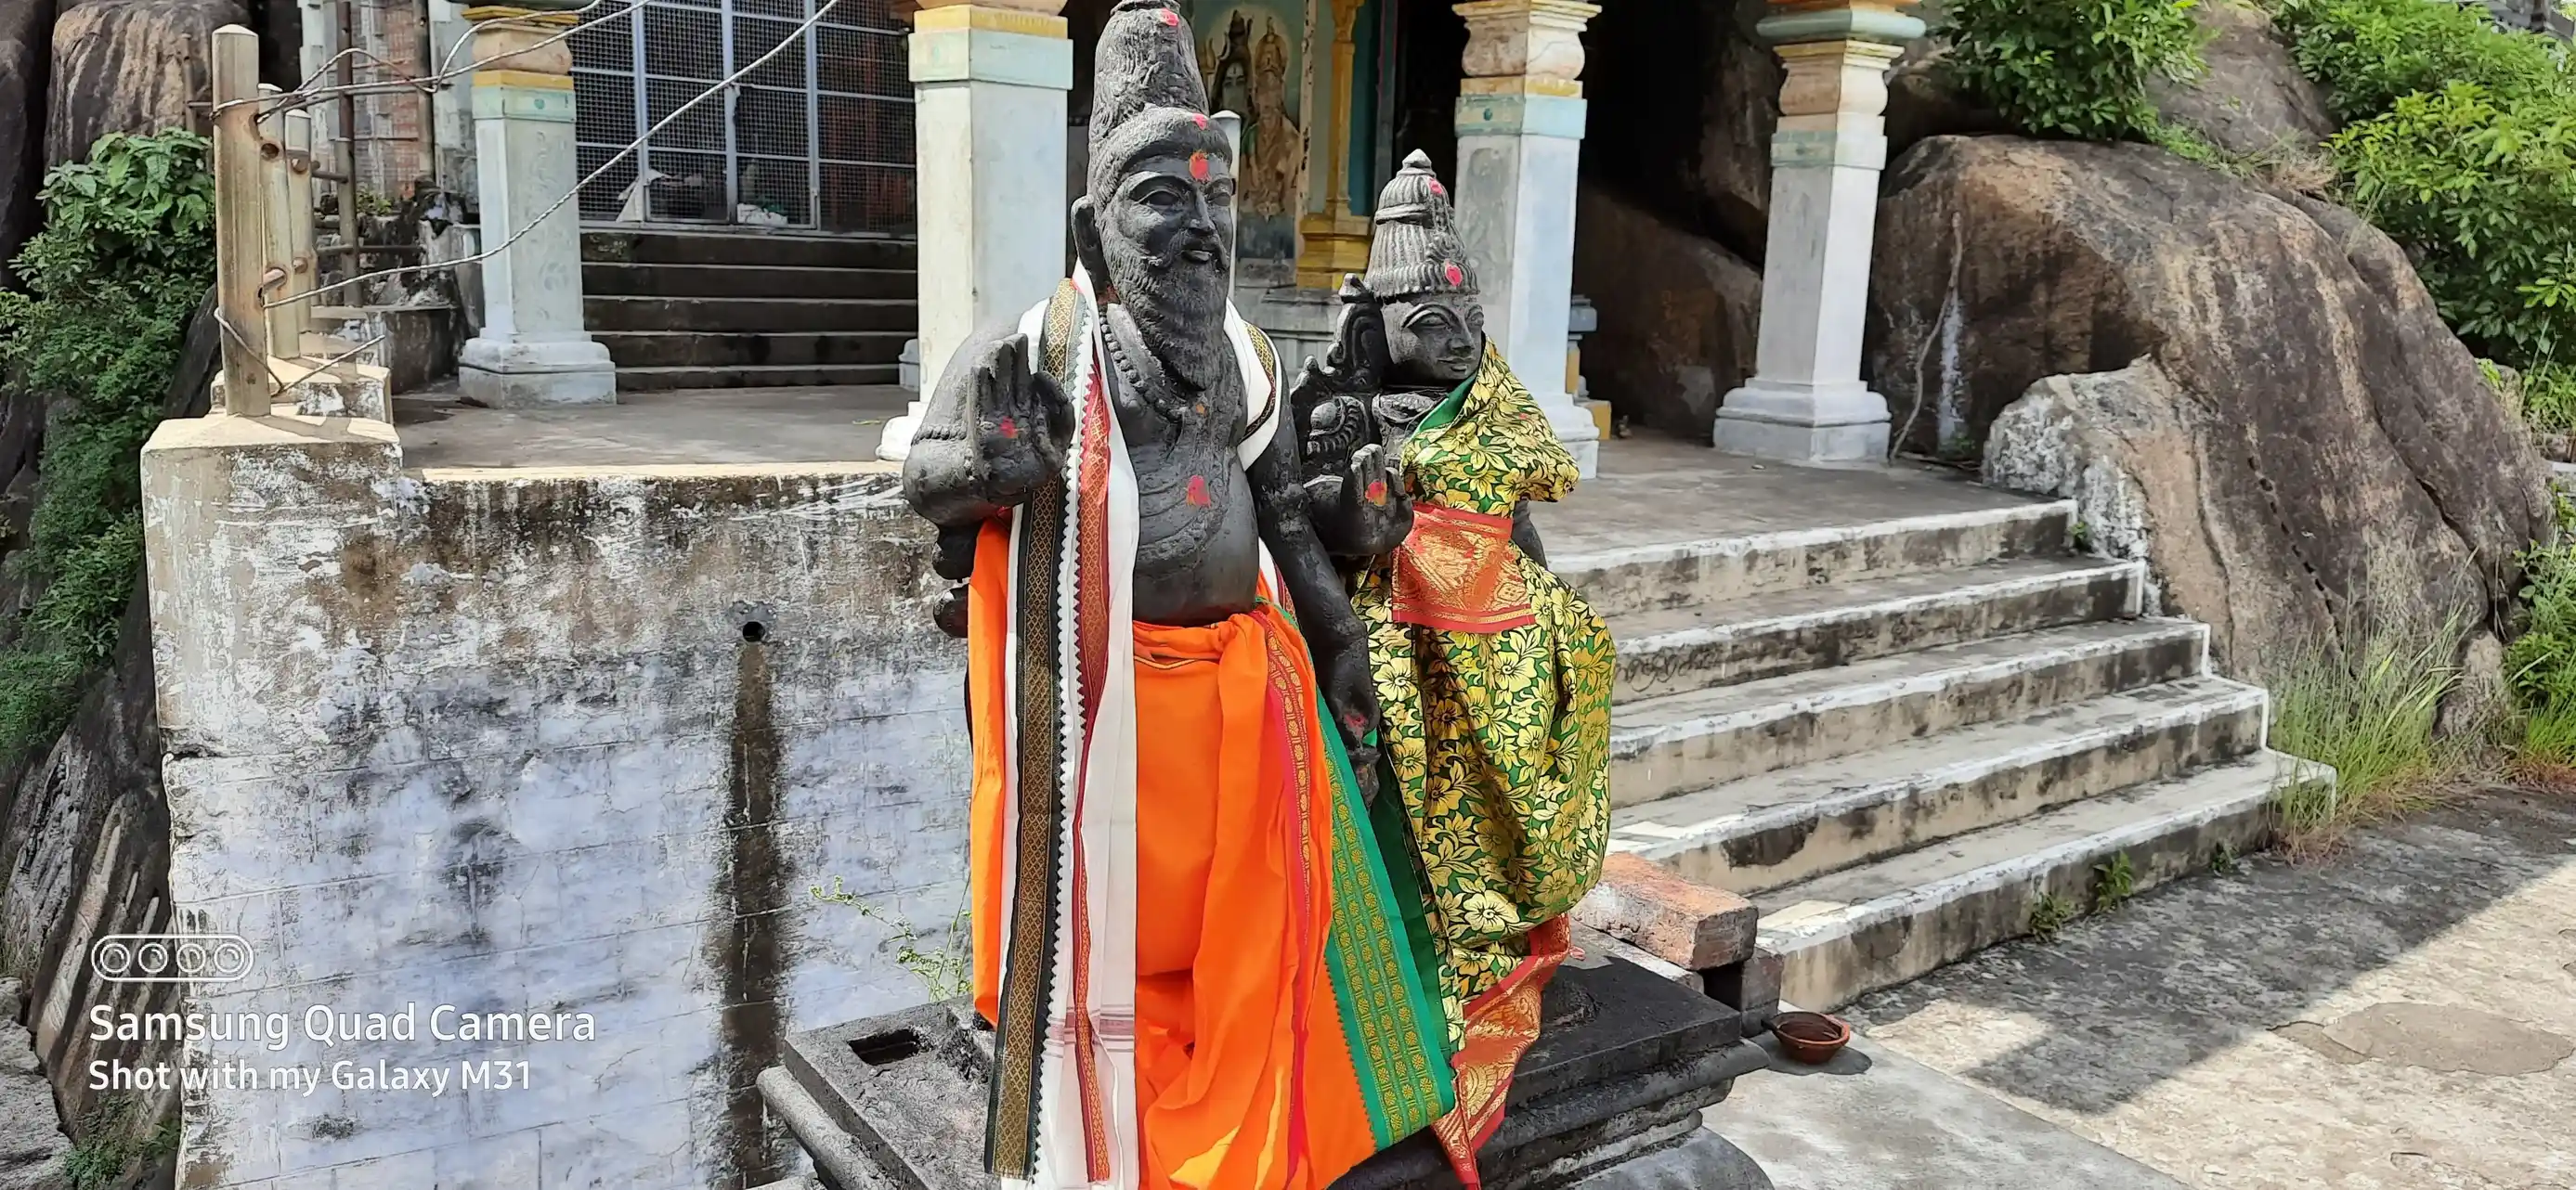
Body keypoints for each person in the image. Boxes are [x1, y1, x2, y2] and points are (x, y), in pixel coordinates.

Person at [897, 6, 1451, 1188]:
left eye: (1215, 194)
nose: (1203, 227)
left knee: (1235, 936)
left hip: (1242, 693)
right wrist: (986, 473)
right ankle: (1094, 1052)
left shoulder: (1243, 356)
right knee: (1116, 928)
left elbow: (1286, 516)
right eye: (1164, 196)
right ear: (1092, 227)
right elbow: (924, 477)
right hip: (1104, 710)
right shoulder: (1039, 350)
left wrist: (1342, 632)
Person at [1290, 150, 1616, 1189]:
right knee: (1398, 805)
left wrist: (1563, 630)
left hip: (1501, 644)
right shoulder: (1342, 416)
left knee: (1517, 794)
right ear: (1374, 324)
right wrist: (1351, 521)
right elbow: (1295, 528)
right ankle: (1400, 969)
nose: (1456, 337)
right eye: (1427, 322)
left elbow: (1519, 533)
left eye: (1465, 317)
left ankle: (1504, 938)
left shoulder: (1496, 418)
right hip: (1391, 635)